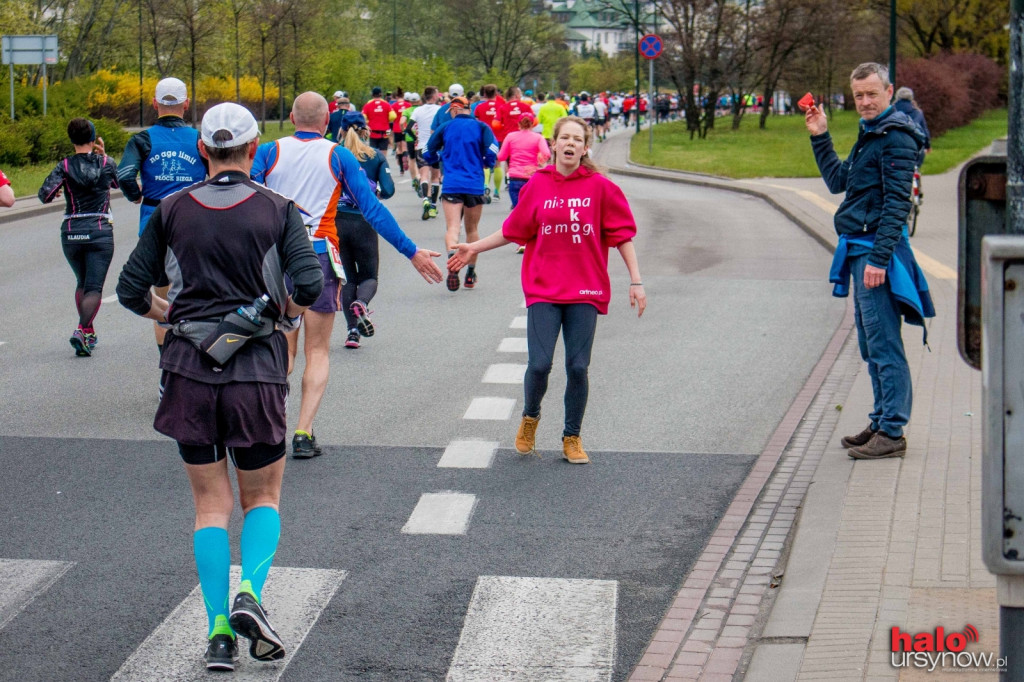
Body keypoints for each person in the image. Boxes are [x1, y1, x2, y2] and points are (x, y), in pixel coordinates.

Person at [115, 102, 324, 671]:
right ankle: (250, 595)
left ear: (203, 150)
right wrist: (283, 315)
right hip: (254, 372)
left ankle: (218, 633)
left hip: (187, 371)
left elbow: (132, 290)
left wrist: (170, 313)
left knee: (210, 505)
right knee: (263, 497)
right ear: (255, 149)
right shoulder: (279, 210)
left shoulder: (171, 209)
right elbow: (308, 281)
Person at [251, 92, 442, 457]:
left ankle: (269, 428)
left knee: (281, 349)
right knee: (318, 350)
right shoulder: (337, 155)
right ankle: (304, 433)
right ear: (327, 122)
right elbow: (372, 209)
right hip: (319, 256)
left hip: (274, 259)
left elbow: (249, 199)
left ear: (291, 117)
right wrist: (411, 252)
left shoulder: (268, 152)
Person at [448, 116, 646, 464]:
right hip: (544, 288)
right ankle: (530, 417)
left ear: (585, 148)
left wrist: (636, 280)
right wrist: (473, 248)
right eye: (564, 138)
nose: (570, 144)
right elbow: (514, 230)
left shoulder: (601, 188)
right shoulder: (537, 186)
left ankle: (572, 436)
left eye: (577, 139)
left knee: (578, 367)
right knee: (539, 365)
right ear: (552, 144)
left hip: (585, 289)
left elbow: (622, 237)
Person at [805, 62, 934, 460]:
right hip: (861, 248)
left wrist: (879, 259)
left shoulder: (896, 137)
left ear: (889, 91)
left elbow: (898, 204)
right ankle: (880, 420)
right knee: (870, 342)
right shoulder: (872, 133)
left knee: (884, 343)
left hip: (878, 253)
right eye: (858, 95)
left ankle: (892, 431)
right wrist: (821, 136)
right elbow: (838, 182)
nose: (864, 101)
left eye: (872, 93)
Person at [117, 77, 208, 362]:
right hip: (194, 222)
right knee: (198, 291)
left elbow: (123, 175)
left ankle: (167, 363)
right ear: (187, 104)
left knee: (164, 296)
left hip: (154, 224)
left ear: (155, 103)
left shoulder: (142, 140)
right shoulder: (198, 140)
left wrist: (135, 195)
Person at [38, 118, 119, 356]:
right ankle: (82, 329)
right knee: (94, 288)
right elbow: (117, 183)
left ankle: (88, 333)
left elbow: (45, 195)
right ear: (94, 140)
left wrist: (60, 189)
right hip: (99, 229)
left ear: (71, 139)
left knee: (82, 283)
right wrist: (104, 155)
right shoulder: (106, 162)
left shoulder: (64, 165)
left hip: (71, 230)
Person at [423, 95, 498, 292]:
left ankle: (452, 260)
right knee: (472, 229)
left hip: (452, 184)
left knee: (453, 228)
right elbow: (493, 150)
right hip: (474, 184)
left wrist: (437, 159)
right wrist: (485, 163)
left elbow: (427, 149)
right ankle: (471, 273)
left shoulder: (445, 127)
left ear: (454, 109)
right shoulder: (482, 127)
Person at [335, 112, 396, 349]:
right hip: (364, 221)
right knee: (369, 276)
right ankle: (362, 302)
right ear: (365, 130)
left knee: (348, 278)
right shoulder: (375, 156)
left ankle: (352, 332)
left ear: (341, 130)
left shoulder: (332, 153)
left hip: (337, 222)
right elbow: (389, 190)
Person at [497, 112, 549, 210]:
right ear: (533, 124)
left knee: (518, 211)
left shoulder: (510, 136)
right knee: (531, 210)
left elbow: (501, 157)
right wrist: (539, 159)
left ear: (518, 124)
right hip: (531, 177)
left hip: (514, 177)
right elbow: (546, 154)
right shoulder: (538, 137)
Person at [409, 86, 443, 220]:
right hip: (435, 147)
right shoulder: (440, 110)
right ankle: (433, 206)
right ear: (434, 96)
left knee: (423, 175)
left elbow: (407, 128)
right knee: (435, 176)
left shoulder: (417, 110)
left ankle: (425, 200)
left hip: (421, 146)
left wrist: (414, 137)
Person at [474, 84, 508, 202]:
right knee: (497, 164)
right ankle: (497, 192)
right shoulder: (502, 106)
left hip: (483, 138)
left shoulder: (480, 107)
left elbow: (477, 124)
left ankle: (485, 186)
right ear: (496, 94)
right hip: (498, 138)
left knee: (484, 164)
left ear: (484, 94)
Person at [893, 86, 931, 167]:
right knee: (915, 165)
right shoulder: (918, 112)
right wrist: (927, 146)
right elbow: (924, 131)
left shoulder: (890, 111)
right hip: (914, 148)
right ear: (911, 98)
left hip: (894, 147)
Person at [361, 86, 396, 152]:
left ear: (372, 95)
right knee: (383, 154)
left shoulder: (368, 105)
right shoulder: (386, 104)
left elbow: (362, 117)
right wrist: (387, 119)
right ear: (381, 94)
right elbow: (393, 116)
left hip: (373, 132)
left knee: (373, 153)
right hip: (385, 132)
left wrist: (368, 121)